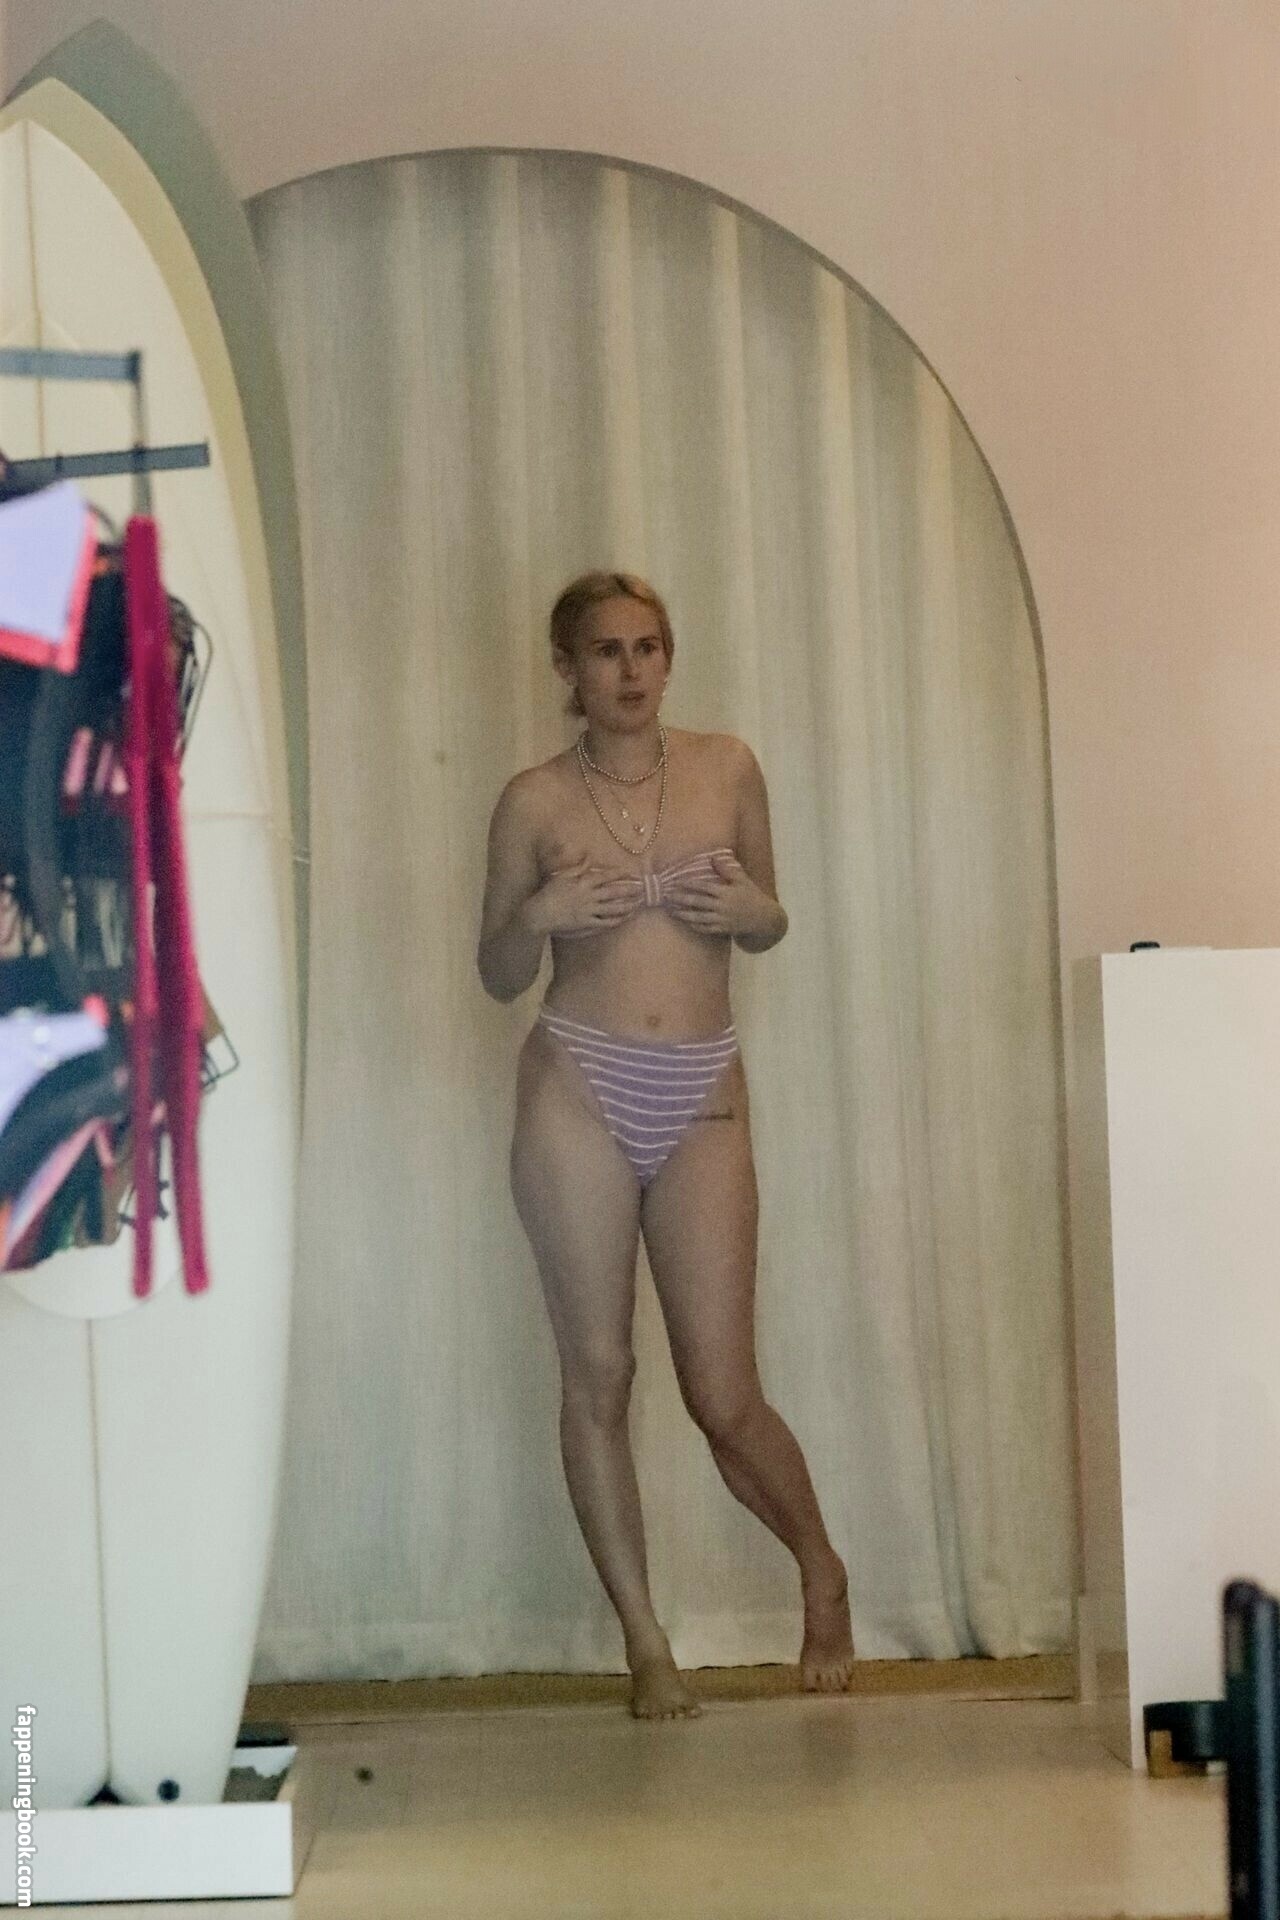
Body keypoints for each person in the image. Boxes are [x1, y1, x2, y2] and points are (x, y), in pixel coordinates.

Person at [477, 571, 855, 1719]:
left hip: (700, 1089)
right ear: (567, 670)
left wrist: (756, 916)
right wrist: (535, 919)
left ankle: (820, 1568)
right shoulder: (532, 800)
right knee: (598, 1373)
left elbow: (768, 917)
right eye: (605, 651)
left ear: (668, 657)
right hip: (575, 1087)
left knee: (721, 1393)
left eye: (647, 647)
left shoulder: (726, 767)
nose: (630, 670)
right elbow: (496, 970)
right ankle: (645, 1643)